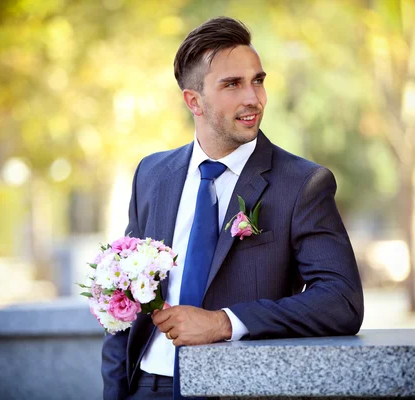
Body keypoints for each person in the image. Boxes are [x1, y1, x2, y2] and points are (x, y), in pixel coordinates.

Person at [101, 16, 364, 400]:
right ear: (194, 101)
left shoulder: (302, 184)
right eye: (232, 84)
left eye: (258, 80)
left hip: (240, 388)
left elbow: (341, 300)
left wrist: (226, 323)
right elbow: (121, 299)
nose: (253, 98)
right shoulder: (152, 175)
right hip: (146, 385)